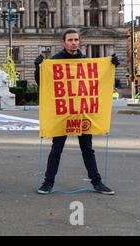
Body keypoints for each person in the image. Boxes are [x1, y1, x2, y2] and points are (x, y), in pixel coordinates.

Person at [34, 28, 120, 195]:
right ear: (63, 42)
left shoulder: (85, 61)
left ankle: (97, 182)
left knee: (87, 149)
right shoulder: (55, 60)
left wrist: (112, 65)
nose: (73, 43)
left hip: (82, 111)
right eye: (70, 40)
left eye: (76, 40)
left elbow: (98, 81)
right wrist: (38, 67)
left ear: (79, 42)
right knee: (56, 149)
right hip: (63, 112)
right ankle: (48, 182)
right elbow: (44, 84)